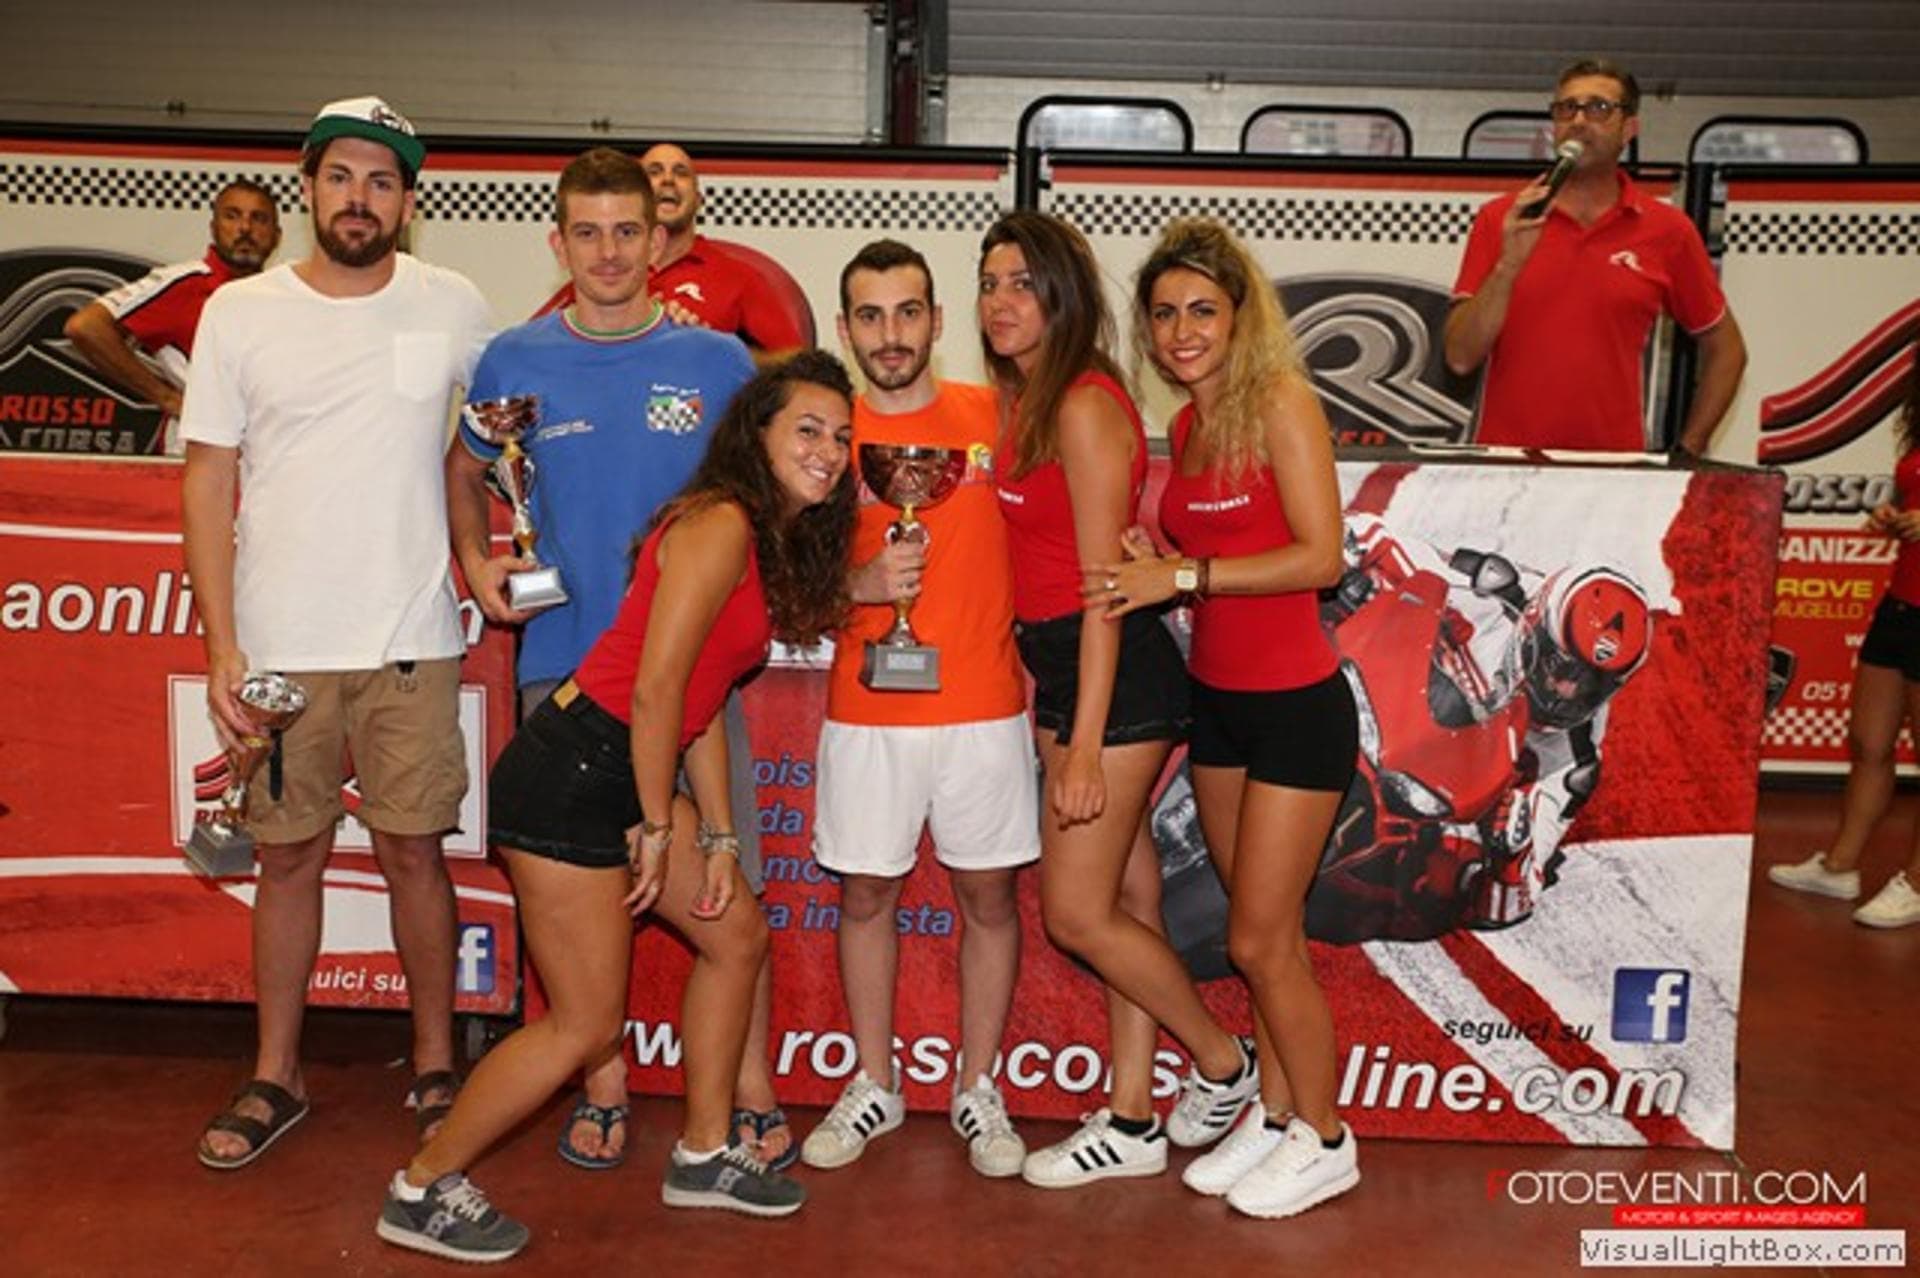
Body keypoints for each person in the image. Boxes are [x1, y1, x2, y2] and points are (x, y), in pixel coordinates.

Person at [379, 352, 857, 1261]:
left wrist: (718, 835)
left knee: (736, 935)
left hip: (621, 765)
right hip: (571, 772)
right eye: (807, 429)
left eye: (840, 437)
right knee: (586, 1026)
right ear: (756, 433)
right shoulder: (719, 522)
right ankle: (421, 1185)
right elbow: (655, 689)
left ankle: (703, 1152)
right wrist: (656, 823)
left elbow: (697, 701)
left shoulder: (756, 537)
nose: (827, 452)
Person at [180, 97, 493, 1170]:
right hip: (280, 649)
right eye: (343, 176)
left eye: (383, 181)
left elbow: (497, 441)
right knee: (288, 858)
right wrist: (224, 645)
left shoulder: (453, 304)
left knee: (414, 852)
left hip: (411, 636)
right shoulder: (241, 312)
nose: (361, 198)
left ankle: (437, 1063)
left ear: (409, 201)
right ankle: (278, 1072)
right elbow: (208, 475)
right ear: (308, 186)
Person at [447, 146, 765, 1170]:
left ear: (660, 239)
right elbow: (463, 467)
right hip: (565, 672)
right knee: (582, 901)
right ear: (559, 243)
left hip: (696, 683)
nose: (610, 251)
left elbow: (770, 493)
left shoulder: (720, 363)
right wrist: (477, 561)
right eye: (587, 233)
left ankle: (748, 1094)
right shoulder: (514, 358)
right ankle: (603, 1083)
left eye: (628, 231)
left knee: (725, 889)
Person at [977, 211, 1257, 1189]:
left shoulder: (1084, 405)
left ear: (1063, 296)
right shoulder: (1024, 401)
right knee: (1132, 901)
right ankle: (1133, 1118)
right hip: (1065, 673)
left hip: (1115, 675)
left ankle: (1222, 1061)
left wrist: (1086, 744)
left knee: (1076, 912)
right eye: (990, 283)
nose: (1001, 302)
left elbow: (1105, 591)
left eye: (1023, 283)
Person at [1096, 217, 1358, 1218]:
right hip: (1219, 707)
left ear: (1242, 316)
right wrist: (1161, 566)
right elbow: (1214, 565)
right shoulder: (1192, 426)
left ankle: (1326, 1137)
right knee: (1263, 931)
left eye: (1203, 310)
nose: (1182, 331)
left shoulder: (1282, 401)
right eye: (1164, 314)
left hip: (1296, 710)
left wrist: (1184, 574)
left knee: (1258, 940)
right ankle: (1280, 1112)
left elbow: (1321, 558)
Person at [798, 240, 1037, 1177]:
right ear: (845, 328)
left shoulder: (998, 416)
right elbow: (780, 583)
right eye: (870, 315)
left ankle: (978, 1086)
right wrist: (858, 585)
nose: (890, 334)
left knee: (989, 898)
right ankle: (875, 1080)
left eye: (908, 312)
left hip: (984, 706)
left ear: (938, 321)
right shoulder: (824, 434)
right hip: (867, 711)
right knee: (866, 895)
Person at [1443, 56, 1747, 455]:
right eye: (1567, 108)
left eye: (1599, 108)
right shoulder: (1503, 218)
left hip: (1614, 471)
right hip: (1506, 466)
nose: (1579, 120)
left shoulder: (1668, 230)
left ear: (1629, 129)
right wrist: (1508, 266)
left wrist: (1688, 451)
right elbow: (1460, 357)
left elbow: (1728, 349)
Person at [1770, 366, 1920, 929]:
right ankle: (1840, 867)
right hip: (1901, 604)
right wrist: (1891, 516)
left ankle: (1918, 884)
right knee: (1869, 741)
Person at [64, 179, 281, 452]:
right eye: (232, 216)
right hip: (194, 454)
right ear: (214, 228)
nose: (245, 228)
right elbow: (86, 327)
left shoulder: (282, 296)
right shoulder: (184, 283)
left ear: (277, 236)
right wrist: (168, 398)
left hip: (261, 454)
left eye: (259, 219)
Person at [533, 142, 807, 355]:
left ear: (698, 200)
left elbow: (797, 367)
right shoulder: (601, 275)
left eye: (681, 173)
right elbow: (532, 348)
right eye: (654, 172)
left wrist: (717, 351)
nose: (667, 180)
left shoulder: (740, 278)